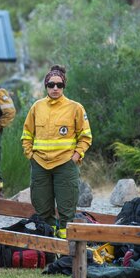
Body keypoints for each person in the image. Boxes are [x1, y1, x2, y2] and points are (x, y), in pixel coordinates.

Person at [21, 65, 92, 239]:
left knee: (67, 207)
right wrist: (30, 155)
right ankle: (47, 241)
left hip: (65, 164)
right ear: (46, 86)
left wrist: (75, 157)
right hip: (40, 163)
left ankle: (66, 246)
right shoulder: (37, 107)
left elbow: (86, 136)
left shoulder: (75, 108)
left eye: (59, 85)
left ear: (63, 86)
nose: (55, 88)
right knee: (41, 205)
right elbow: (27, 134)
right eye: (51, 84)